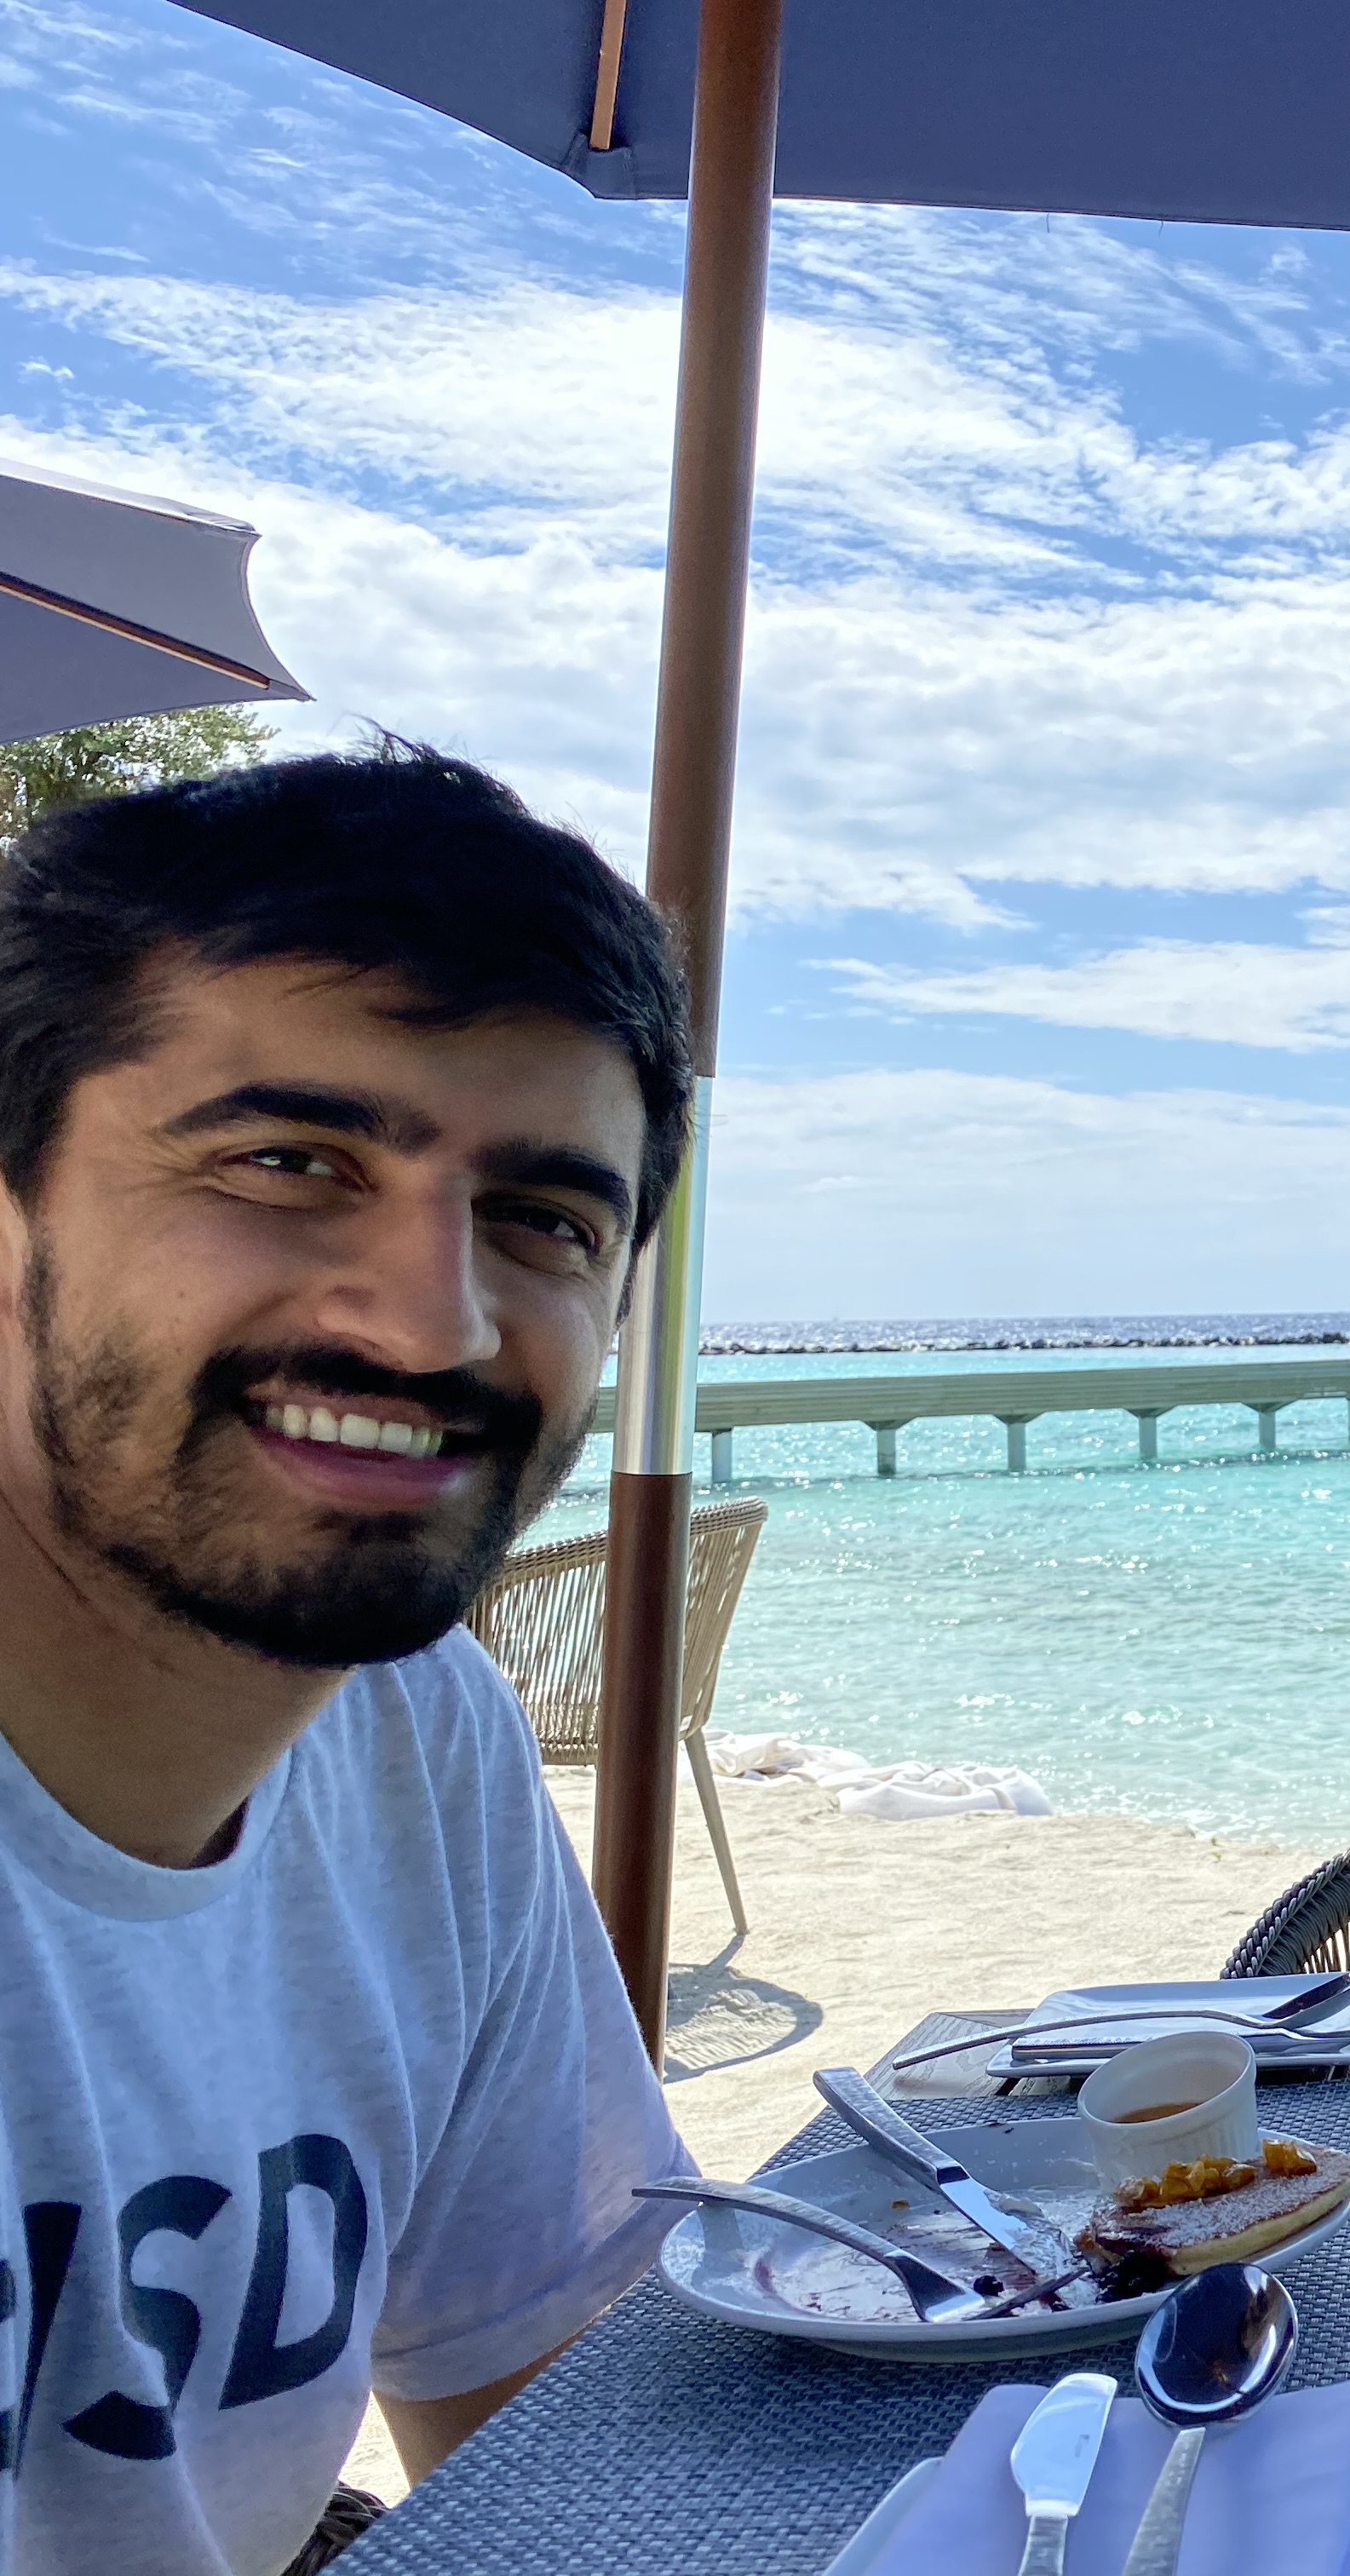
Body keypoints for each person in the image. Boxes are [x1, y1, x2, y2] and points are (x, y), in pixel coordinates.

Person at [0, 745, 698, 2576]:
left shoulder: (413, 1732)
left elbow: (559, 2433)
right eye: (288, 1162)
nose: (432, 1321)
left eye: (546, 1221)